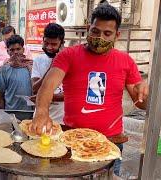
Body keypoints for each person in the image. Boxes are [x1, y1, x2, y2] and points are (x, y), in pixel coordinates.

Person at [31, 4, 149, 176]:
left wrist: (144, 92)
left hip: (111, 141)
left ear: (117, 35)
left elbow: (141, 104)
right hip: (72, 139)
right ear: (88, 29)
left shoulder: (126, 61)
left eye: (107, 34)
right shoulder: (68, 55)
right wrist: (42, 111)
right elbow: (48, 85)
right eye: (95, 31)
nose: (99, 37)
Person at [0, 26, 32, 104]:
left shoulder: (25, 49)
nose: (15, 52)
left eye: (18, 49)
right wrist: (3, 63)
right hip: (2, 84)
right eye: (5, 39)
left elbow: (31, 64)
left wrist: (26, 64)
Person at [31, 23, 65, 123]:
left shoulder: (71, 61)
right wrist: (52, 67)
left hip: (61, 121)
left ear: (62, 43)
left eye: (54, 44)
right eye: (46, 43)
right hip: (40, 119)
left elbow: (70, 95)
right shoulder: (38, 60)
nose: (49, 47)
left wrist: (44, 97)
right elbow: (35, 89)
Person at [0, 35, 33, 110]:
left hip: (30, 115)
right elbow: (0, 96)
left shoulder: (31, 67)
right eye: (12, 50)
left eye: (18, 49)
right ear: (8, 51)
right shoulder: (4, 70)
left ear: (23, 50)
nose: (15, 52)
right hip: (11, 115)